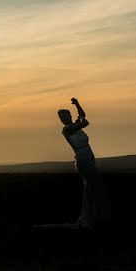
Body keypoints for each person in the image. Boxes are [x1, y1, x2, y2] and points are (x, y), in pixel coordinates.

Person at [58, 98, 111, 229]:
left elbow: (83, 117)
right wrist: (81, 119)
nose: (63, 119)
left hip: (88, 158)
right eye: (61, 118)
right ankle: (92, 217)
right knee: (92, 187)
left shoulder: (75, 126)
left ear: (69, 116)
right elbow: (85, 121)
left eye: (64, 116)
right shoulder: (67, 129)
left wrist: (77, 105)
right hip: (83, 160)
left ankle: (94, 216)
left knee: (92, 188)